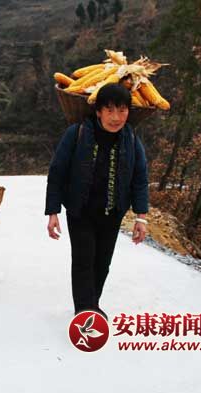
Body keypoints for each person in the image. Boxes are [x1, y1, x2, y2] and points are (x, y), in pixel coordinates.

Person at [45, 83, 148, 319]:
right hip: (80, 211)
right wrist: (53, 212)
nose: (116, 117)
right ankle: (85, 311)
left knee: (102, 263)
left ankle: (92, 304)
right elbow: (57, 172)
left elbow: (140, 178)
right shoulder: (77, 133)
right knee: (84, 260)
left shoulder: (131, 139)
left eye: (122, 110)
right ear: (98, 111)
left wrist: (141, 217)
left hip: (113, 212)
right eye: (109, 110)